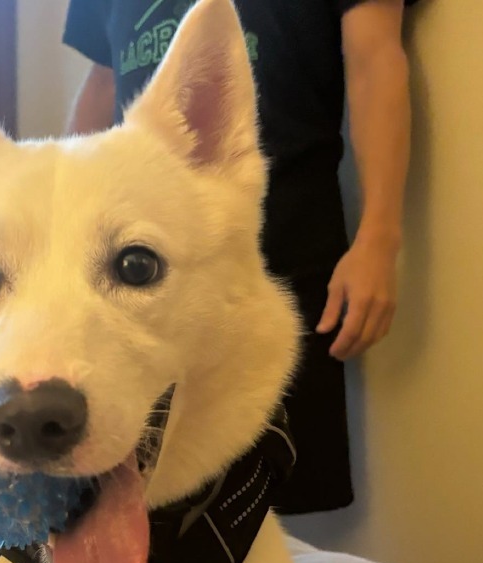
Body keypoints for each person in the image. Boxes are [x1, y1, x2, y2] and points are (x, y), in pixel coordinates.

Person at [64, 0, 417, 514]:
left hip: (286, 243)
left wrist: (379, 238)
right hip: (128, 271)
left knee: (269, 495)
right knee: (117, 474)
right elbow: (102, 84)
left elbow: (375, 58)